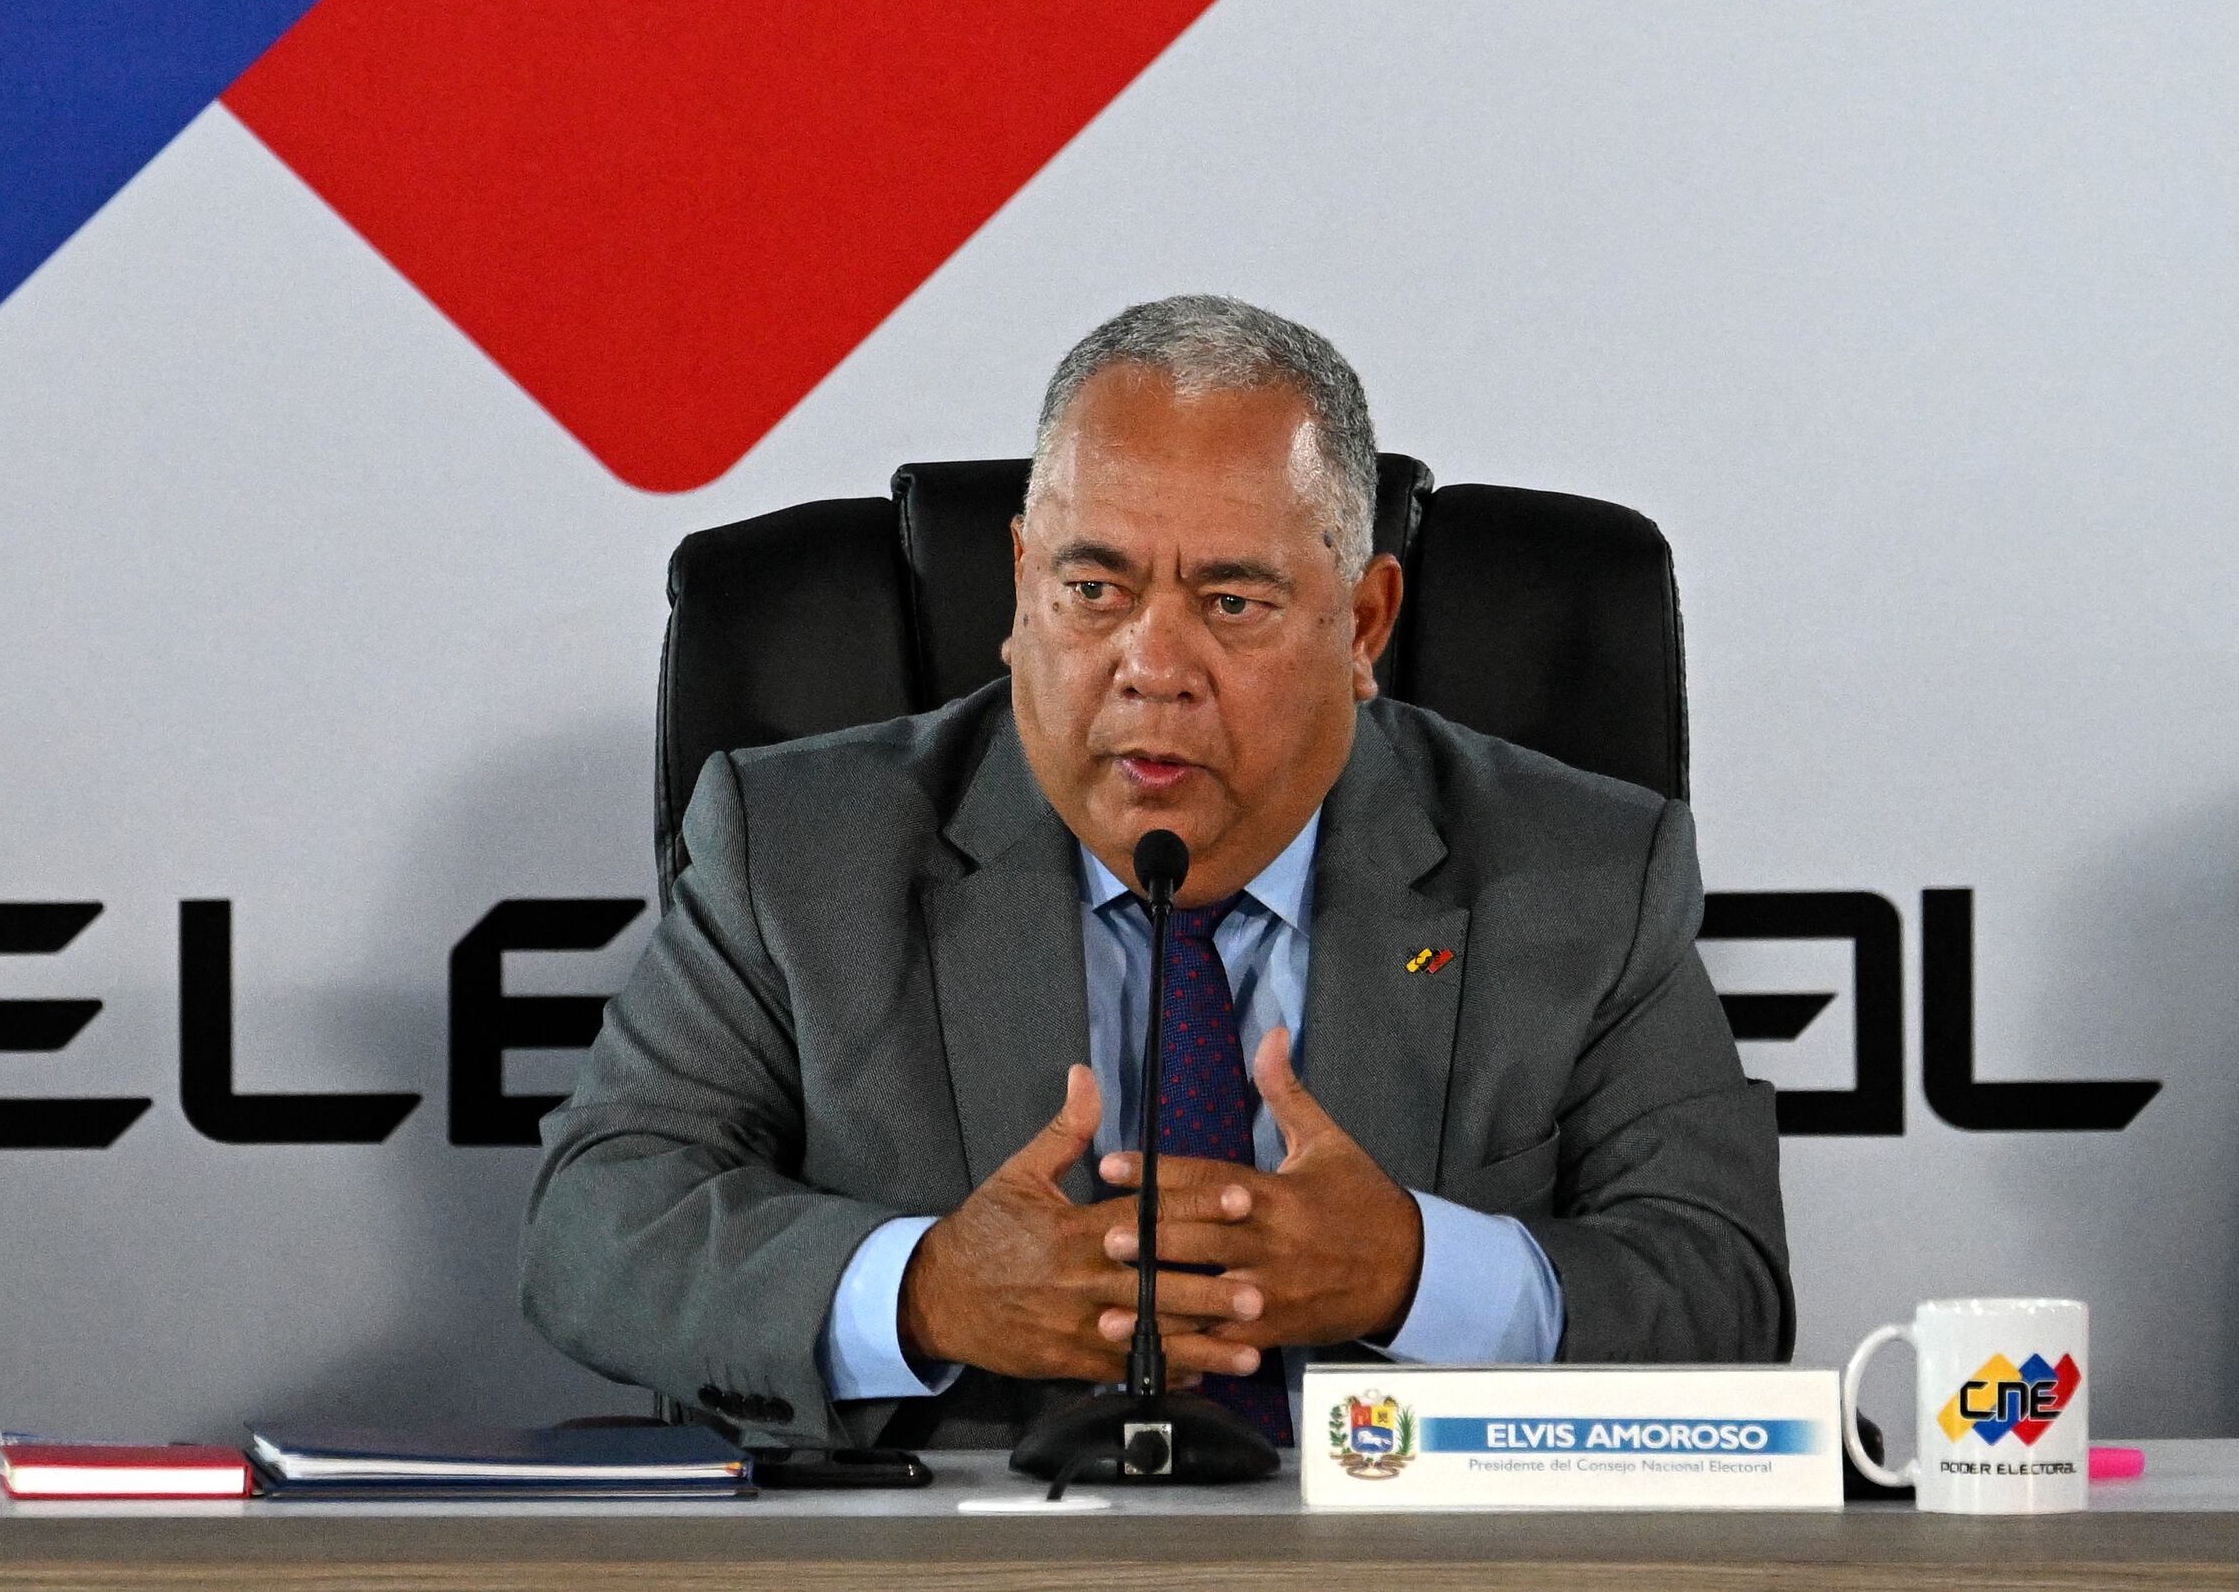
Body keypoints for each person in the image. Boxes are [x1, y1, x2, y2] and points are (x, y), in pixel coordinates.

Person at [525, 295, 1789, 1448]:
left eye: (1231, 602)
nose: (1152, 663)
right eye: (1092, 588)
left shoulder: (1575, 873)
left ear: (1361, 625)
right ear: (1020, 590)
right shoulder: (799, 850)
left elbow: (1720, 1289)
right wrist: (926, 1290)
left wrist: (1415, 1273)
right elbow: (596, 1232)